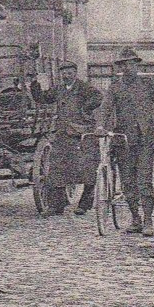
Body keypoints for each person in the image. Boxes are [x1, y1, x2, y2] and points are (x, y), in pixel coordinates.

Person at [98, 48, 154, 236]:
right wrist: (101, 126)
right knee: (128, 183)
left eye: (131, 63)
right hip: (123, 141)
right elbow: (106, 107)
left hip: (145, 141)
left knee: (144, 182)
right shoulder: (115, 86)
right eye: (124, 64)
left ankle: (148, 219)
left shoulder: (147, 83)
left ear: (137, 65)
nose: (128, 67)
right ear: (120, 67)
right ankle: (135, 218)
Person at [31, 61, 105, 216]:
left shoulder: (84, 87)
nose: (66, 76)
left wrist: (86, 108)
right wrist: (34, 85)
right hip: (63, 134)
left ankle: (84, 204)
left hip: (83, 134)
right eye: (64, 73)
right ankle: (56, 206)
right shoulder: (59, 89)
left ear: (75, 73)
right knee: (57, 168)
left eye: (69, 73)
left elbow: (98, 97)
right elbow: (44, 98)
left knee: (87, 169)